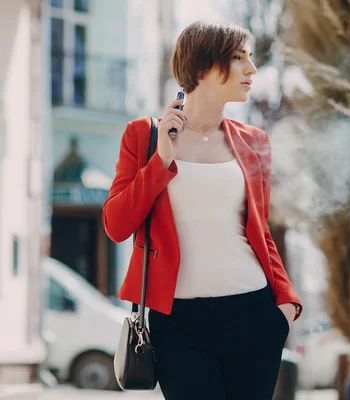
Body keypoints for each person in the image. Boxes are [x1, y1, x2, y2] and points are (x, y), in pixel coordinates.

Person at [102, 20, 302, 399]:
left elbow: (260, 234)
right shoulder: (143, 135)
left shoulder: (254, 141)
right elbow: (116, 225)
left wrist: (286, 306)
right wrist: (161, 161)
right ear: (204, 66)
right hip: (178, 323)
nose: (251, 70)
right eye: (239, 58)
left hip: (254, 316)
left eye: (251, 58)